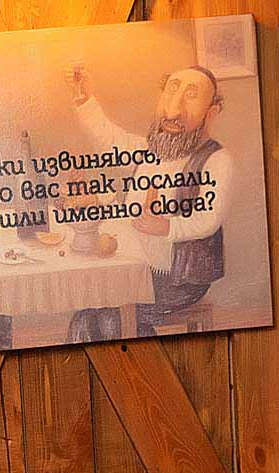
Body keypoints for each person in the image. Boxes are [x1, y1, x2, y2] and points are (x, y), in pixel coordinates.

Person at [64, 61, 232, 341]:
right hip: (137, 269)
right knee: (85, 313)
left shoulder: (216, 160)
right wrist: (85, 99)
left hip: (178, 280)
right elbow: (108, 138)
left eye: (191, 96)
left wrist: (166, 227)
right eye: (171, 91)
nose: (174, 110)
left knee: (113, 316)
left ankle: (136, 362)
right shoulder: (146, 151)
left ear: (210, 113)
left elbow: (209, 220)